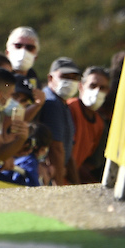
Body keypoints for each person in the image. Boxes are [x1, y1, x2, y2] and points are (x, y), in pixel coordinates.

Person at [39, 57, 83, 185]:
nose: (70, 81)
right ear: (50, 78)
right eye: (65, 77)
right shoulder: (52, 103)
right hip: (47, 175)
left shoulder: (62, 103)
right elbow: (56, 149)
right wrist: (59, 187)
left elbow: (67, 150)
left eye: (74, 78)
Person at [69, 65, 111, 183]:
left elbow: (89, 163)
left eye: (102, 88)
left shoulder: (99, 124)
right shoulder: (70, 109)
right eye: (92, 86)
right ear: (81, 86)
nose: (97, 91)